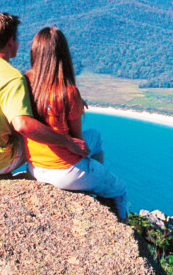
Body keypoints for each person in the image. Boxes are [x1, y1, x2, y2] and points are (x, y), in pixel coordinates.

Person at [0, 13, 88, 176]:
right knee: (43, 136)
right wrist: (67, 142)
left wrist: (71, 98)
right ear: (10, 42)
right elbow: (22, 125)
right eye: (17, 38)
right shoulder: (11, 77)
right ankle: (69, 173)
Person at [24, 27, 128, 220]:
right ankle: (120, 223)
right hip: (65, 172)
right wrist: (76, 105)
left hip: (34, 167)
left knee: (95, 135)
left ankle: (90, 182)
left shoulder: (24, 83)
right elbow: (78, 143)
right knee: (121, 189)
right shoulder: (68, 92)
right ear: (63, 54)